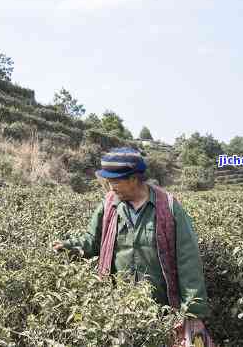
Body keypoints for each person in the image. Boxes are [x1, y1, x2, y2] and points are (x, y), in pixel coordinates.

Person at [52, 147, 214, 346]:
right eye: (108, 182)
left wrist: (193, 312)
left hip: (161, 310)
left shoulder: (168, 207)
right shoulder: (109, 205)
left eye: (115, 181)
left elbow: (188, 261)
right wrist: (68, 246)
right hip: (118, 307)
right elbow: (92, 241)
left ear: (134, 179)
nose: (111, 187)